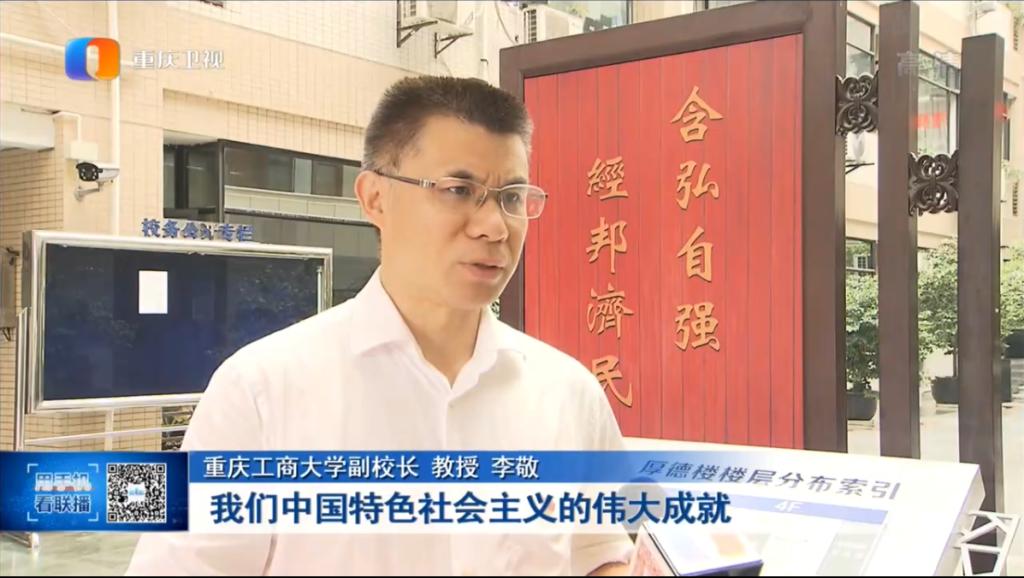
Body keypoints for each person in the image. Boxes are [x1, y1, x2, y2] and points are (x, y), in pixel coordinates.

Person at [127, 76, 633, 576]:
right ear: (374, 198)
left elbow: (601, 555)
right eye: (459, 190)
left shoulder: (568, 393)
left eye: (513, 197)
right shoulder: (260, 391)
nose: (494, 226)